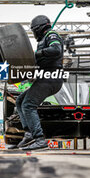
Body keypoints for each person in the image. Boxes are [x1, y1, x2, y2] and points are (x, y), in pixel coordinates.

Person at [15, 15, 64, 150]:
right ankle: (29, 133)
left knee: (28, 105)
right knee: (20, 101)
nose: (34, 33)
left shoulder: (51, 34)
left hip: (51, 78)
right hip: (46, 77)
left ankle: (39, 139)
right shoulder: (44, 39)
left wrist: (37, 54)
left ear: (39, 28)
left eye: (34, 30)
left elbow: (56, 50)